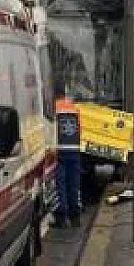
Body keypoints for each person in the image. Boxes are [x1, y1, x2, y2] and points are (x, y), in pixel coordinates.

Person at [53, 96, 83, 228]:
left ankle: (62, 217)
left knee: (60, 185)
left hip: (59, 150)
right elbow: (80, 128)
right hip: (74, 150)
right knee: (73, 184)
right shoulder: (74, 107)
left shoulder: (54, 107)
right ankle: (75, 216)